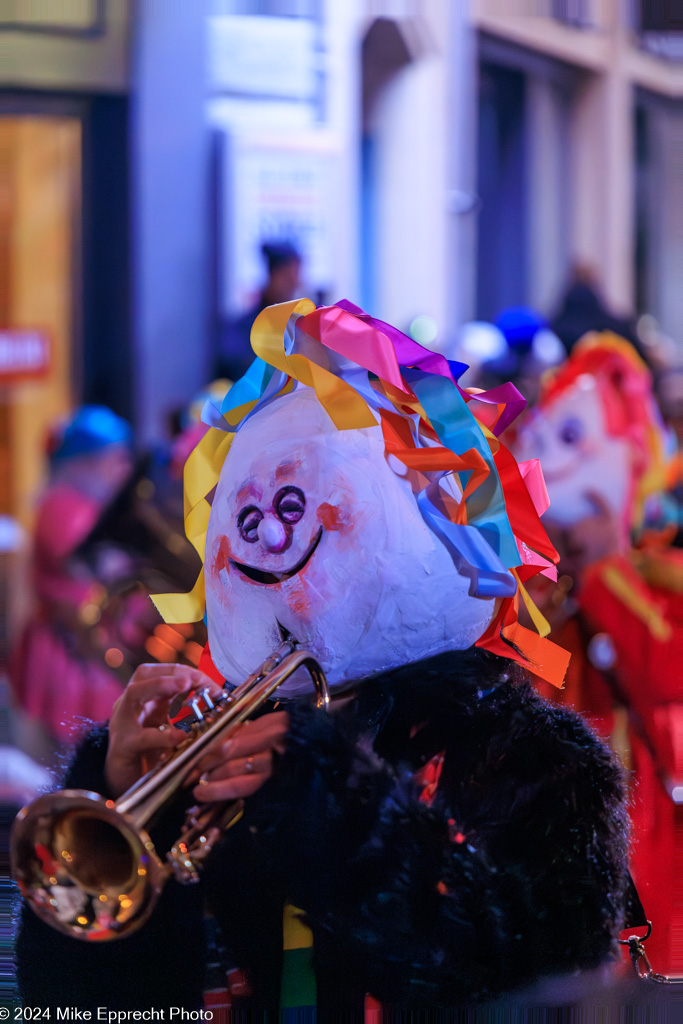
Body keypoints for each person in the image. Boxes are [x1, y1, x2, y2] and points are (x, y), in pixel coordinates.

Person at [17, 301, 632, 1013]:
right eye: (246, 518)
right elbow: (94, 1009)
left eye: (295, 509)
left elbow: (534, 982)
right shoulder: (221, 758)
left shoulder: (534, 759)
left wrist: (338, 799)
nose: (265, 543)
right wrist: (122, 803)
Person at [514, 332, 681, 976]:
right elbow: (526, 688)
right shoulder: (531, 600)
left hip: (651, 854)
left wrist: (605, 571)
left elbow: (664, 675)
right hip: (552, 861)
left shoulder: (662, 582)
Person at [214, 241, 302, 382]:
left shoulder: (300, 325)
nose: (295, 284)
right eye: (287, 277)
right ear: (272, 275)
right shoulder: (242, 329)